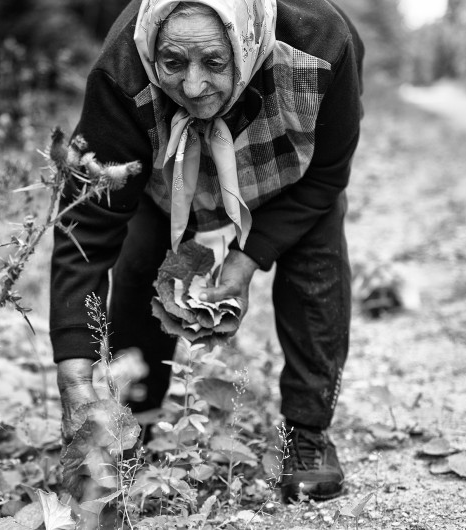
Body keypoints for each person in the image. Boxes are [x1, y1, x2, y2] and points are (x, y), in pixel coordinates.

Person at [50, 0, 364, 503]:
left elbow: (327, 174)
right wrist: (72, 368)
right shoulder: (122, 71)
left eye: (214, 63)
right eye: (172, 63)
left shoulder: (323, 40)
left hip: (290, 173)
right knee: (139, 271)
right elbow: (87, 223)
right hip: (164, 178)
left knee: (315, 271)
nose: (193, 87)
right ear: (153, 48)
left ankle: (307, 434)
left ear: (243, 44)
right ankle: (129, 433)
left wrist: (247, 257)